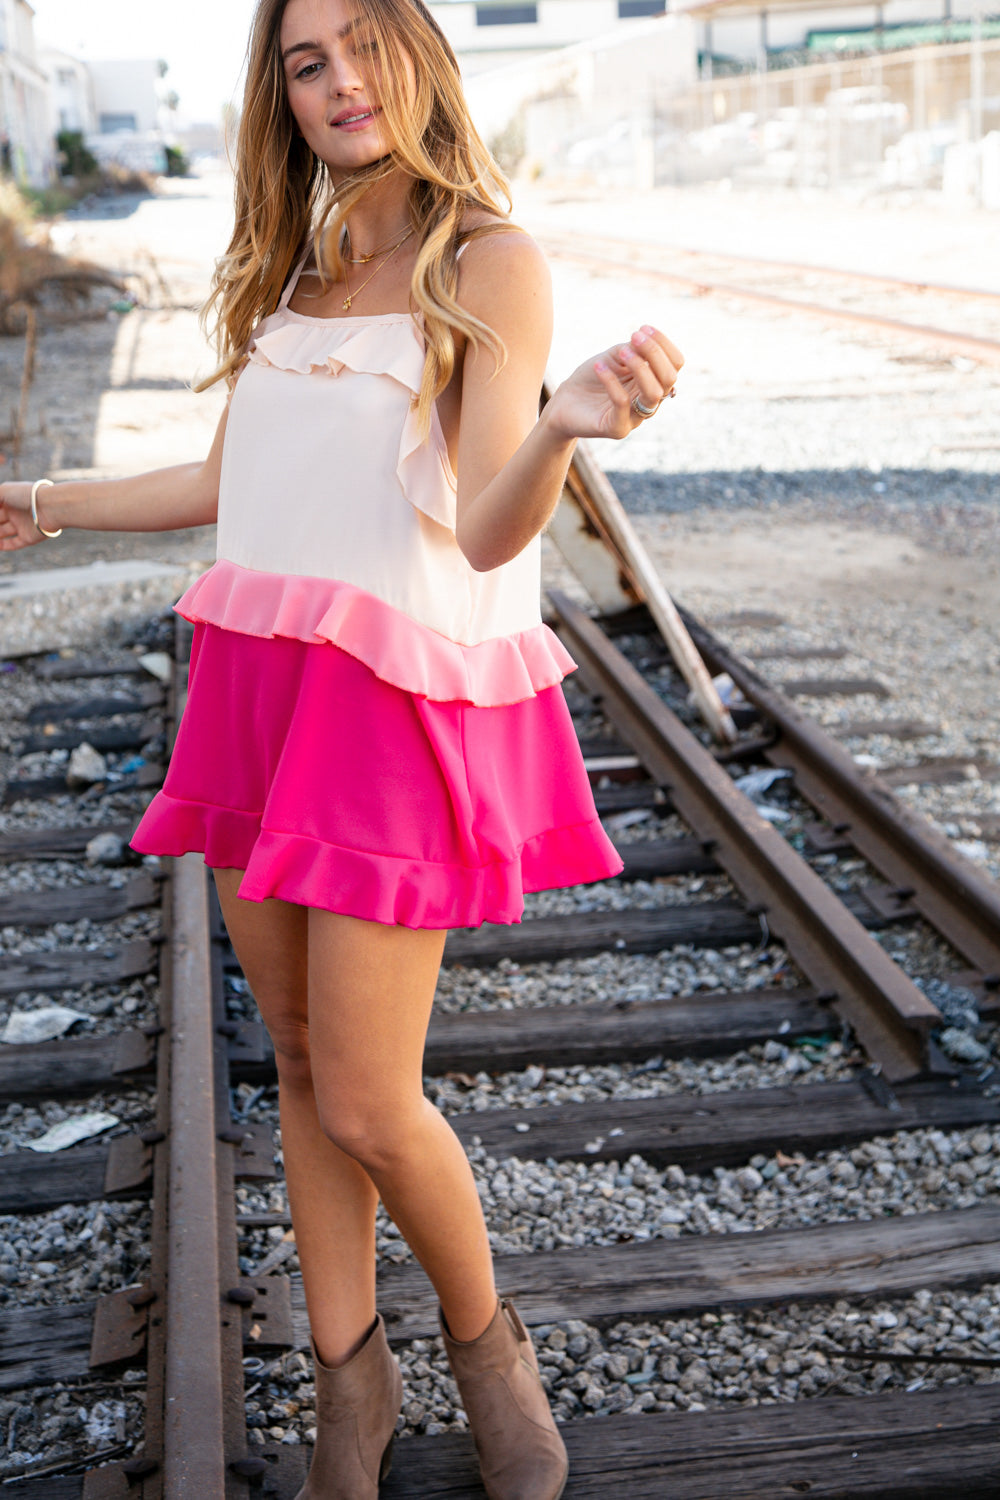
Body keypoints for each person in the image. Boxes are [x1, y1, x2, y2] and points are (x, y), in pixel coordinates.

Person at [0, 2, 682, 1494]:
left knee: (374, 1093)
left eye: (365, 44)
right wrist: (40, 503)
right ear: (283, 97)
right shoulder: (287, 276)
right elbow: (229, 481)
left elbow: (489, 521)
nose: (340, 80)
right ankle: (346, 1392)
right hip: (258, 689)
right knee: (302, 1062)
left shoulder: (488, 259)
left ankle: (490, 1341)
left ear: (419, 59)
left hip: (384, 707)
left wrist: (559, 425)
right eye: (307, 61)